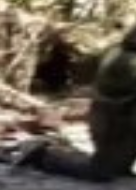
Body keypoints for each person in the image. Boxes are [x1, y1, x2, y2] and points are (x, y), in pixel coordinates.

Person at [18, 26, 136, 181]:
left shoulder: (117, 52)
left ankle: (116, 163)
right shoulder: (126, 60)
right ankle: (45, 155)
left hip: (115, 119)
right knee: (100, 173)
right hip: (115, 122)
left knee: (115, 169)